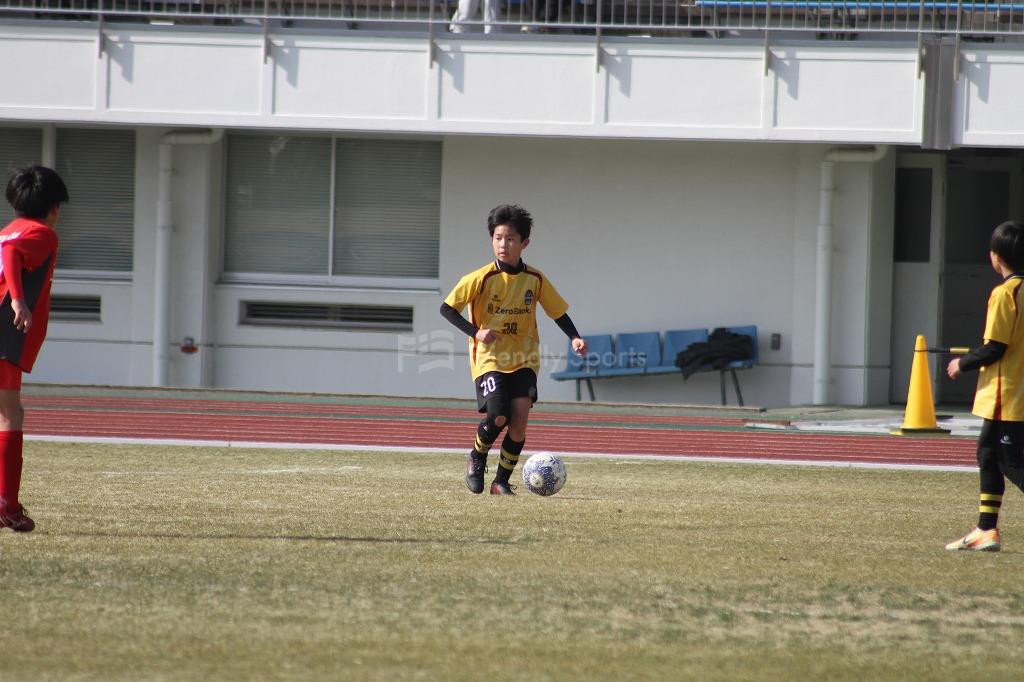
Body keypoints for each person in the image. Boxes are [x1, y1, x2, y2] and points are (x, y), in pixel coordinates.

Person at [440, 204, 587, 495]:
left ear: (524, 243)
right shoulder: (480, 278)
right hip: (490, 358)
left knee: (519, 422)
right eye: (497, 238)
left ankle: (501, 482)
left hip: (524, 358)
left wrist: (574, 337)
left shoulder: (535, 279)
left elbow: (557, 312)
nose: (502, 245)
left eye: (509, 239)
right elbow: (447, 309)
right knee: (498, 415)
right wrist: (476, 332)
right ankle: (476, 456)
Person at [945, 220, 1024, 552]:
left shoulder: (1006, 293)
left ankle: (987, 529)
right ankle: (986, 529)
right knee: (988, 454)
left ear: (997, 256)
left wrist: (962, 363)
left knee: (1009, 461)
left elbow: (995, 347)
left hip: (1008, 393)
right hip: (1013, 393)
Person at [0, 166, 68, 533]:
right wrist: (18, 300)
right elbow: (13, 255)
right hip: (3, 330)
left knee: (9, 412)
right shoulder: (40, 233)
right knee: (10, 414)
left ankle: (7, 504)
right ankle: (6, 504)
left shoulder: (7, 230)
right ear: (54, 207)